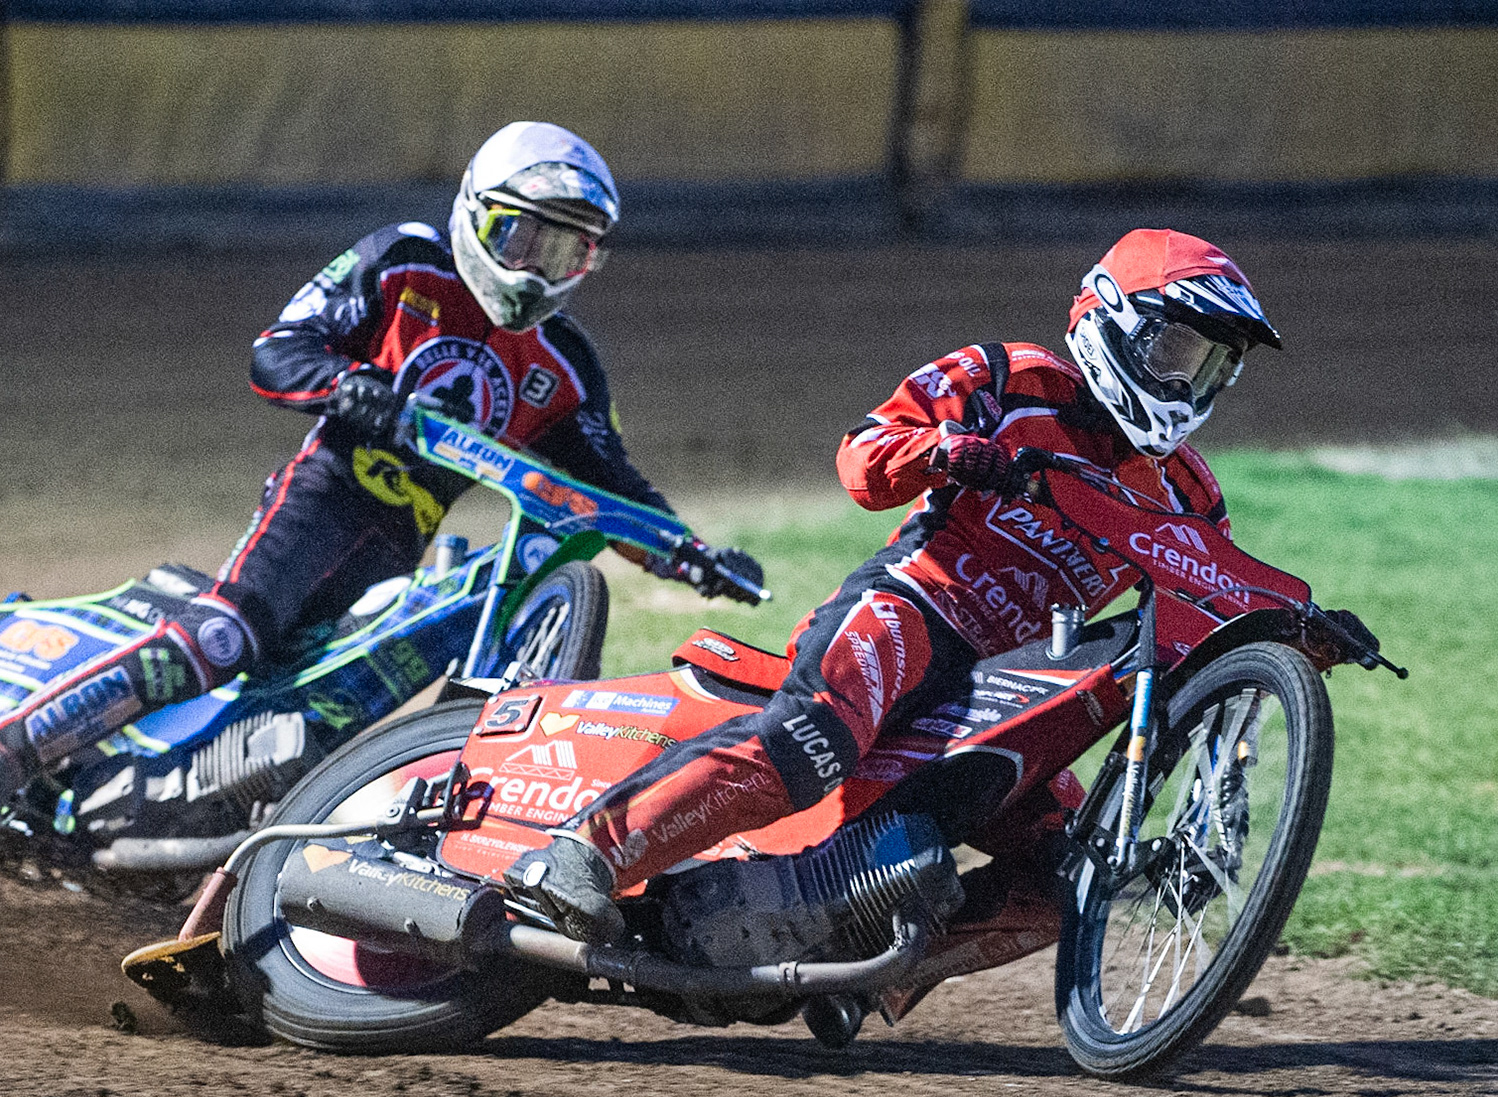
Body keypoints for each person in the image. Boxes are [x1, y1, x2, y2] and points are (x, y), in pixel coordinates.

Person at [0, 121, 754, 840]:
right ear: (477, 214)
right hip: (323, 499)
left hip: (400, 547)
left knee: (334, 713)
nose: (537, 271)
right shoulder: (403, 262)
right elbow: (277, 350)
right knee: (229, 636)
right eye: (522, 241)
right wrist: (344, 386)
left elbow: (612, 487)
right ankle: (2, 748)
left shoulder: (565, 367)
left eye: (567, 251)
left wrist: (691, 552)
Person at [506, 227, 1283, 943]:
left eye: (1213, 365)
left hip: (1015, 680)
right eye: (1178, 350)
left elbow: (1214, 619)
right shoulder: (1008, 377)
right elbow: (863, 454)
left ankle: (867, 971)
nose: (1189, 383)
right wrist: (949, 454)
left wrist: (1291, 645)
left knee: (1067, 879)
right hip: (910, 609)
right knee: (806, 742)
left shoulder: (1190, 494)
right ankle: (581, 856)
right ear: (1113, 320)